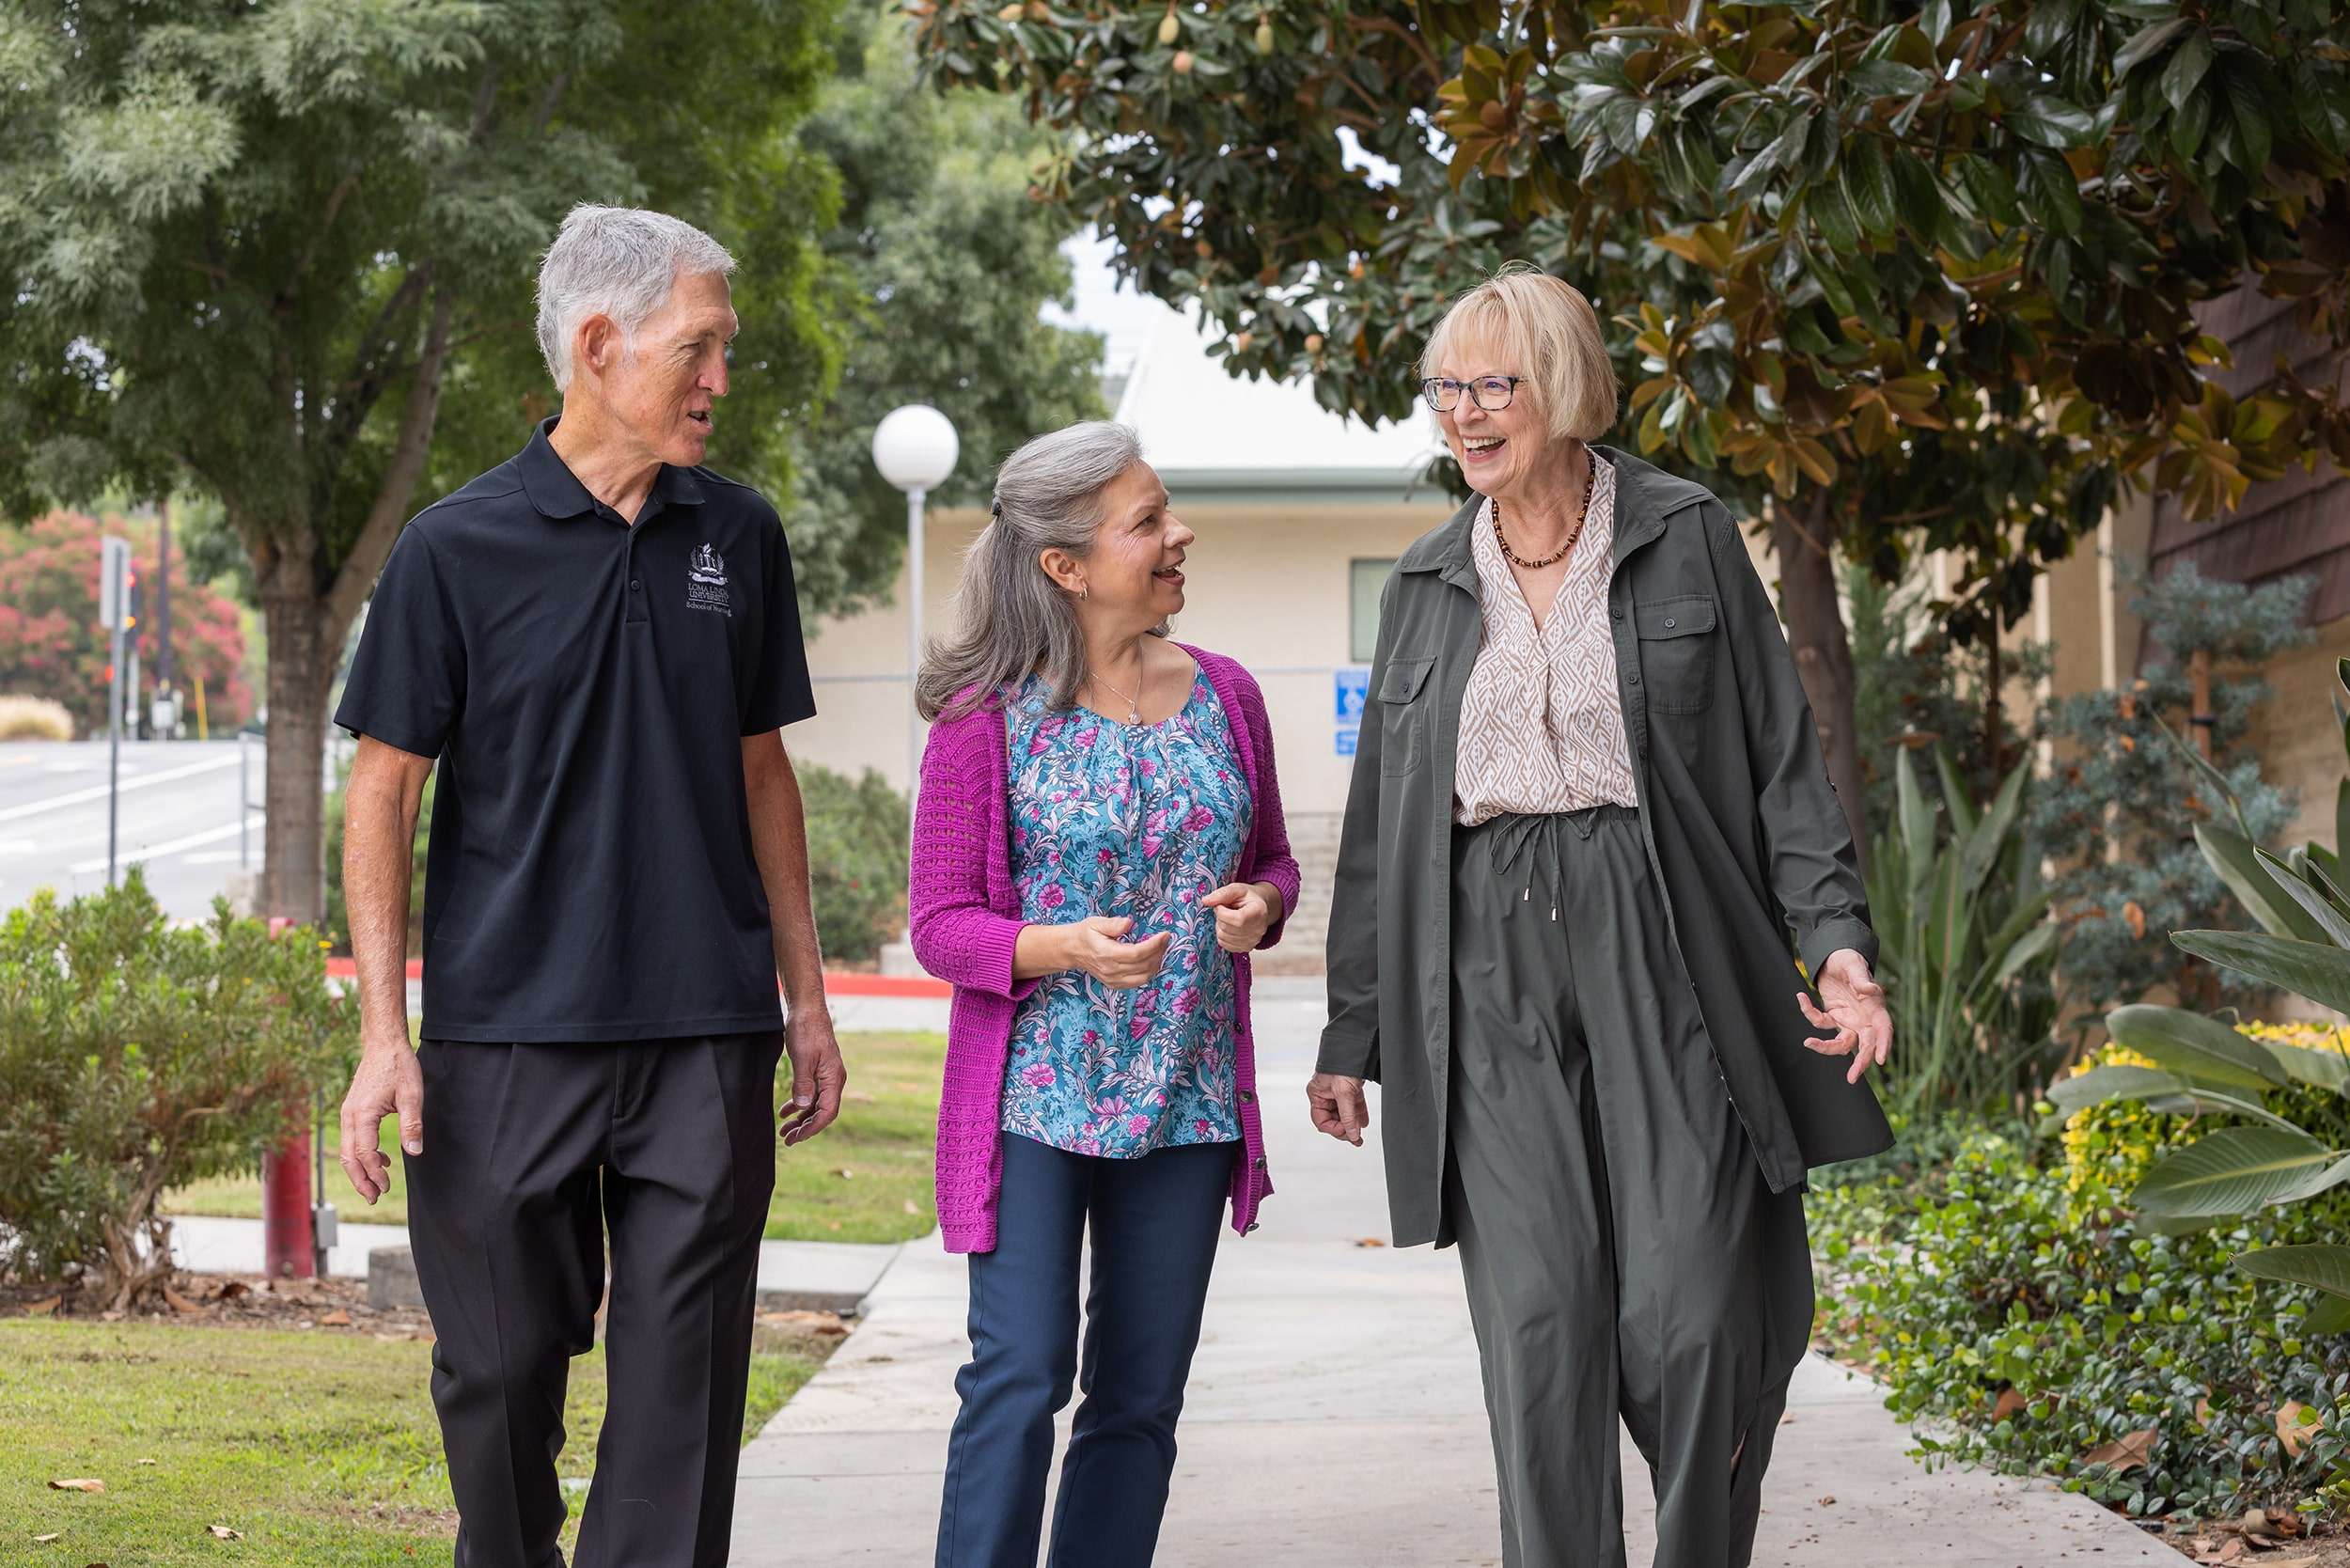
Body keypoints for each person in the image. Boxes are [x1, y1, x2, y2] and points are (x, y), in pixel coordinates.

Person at [1308, 265, 1896, 1568]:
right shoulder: (1422, 582)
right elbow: (1382, 832)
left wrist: (1839, 947)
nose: (1463, 412)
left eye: (1492, 384)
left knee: (1693, 1315)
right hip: (1485, 956)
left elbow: (1781, 761)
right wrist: (1355, 1032)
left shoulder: (1683, 532)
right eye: (1445, 388)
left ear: (1562, 388)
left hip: (1666, 934)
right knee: (1539, 1322)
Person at [334, 204, 845, 1568]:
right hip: (504, 1036)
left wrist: (805, 997)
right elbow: (384, 791)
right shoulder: (454, 548)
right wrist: (385, 1038)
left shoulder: (738, 535)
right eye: (701, 349)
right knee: (497, 1378)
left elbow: (763, 776)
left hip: (705, 1033)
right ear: (601, 344)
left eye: (724, 350)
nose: (721, 381)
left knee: (682, 1408)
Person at [907, 421, 1300, 1568]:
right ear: (1065, 566)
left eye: (1167, 510)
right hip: (1035, 1106)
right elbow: (940, 926)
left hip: (1183, 1104)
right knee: (1019, 1375)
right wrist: (1060, 946)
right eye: (1147, 521)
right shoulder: (984, 718)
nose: (1178, 535)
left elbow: (1272, 860)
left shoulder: (1227, 695)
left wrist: (1260, 910)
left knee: (1138, 1398)